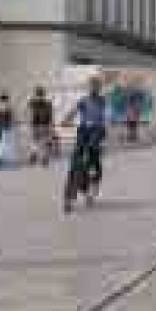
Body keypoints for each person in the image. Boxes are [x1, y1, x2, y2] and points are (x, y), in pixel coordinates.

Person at [63, 76, 107, 211]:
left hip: (96, 133)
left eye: (96, 86)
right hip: (83, 132)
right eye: (91, 85)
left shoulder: (102, 101)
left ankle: (90, 192)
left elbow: (105, 117)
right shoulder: (83, 100)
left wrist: (103, 130)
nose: (93, 88)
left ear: (99, 88)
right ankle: (69, 197)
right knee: (76, 163)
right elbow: (73, 112)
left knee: (94, 164)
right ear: (88, 87)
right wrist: (66, 120)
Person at [28, 86, 55, 164]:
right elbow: (50, 115)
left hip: (36, 124)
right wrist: (51, 125)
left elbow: (28, 111)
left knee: (36, 140)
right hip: (45, 124)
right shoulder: (48, 103)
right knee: (45, 141)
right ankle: (44, 157)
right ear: (44, 94)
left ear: (36, 93)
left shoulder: (32, 102)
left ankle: (35, 154)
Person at [0, 94, 15, 167]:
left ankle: (0, 159)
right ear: (6, 100)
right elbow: (10, 119)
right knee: (5, 144)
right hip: (5, 127)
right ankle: (3, 160)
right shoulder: (8, 108)